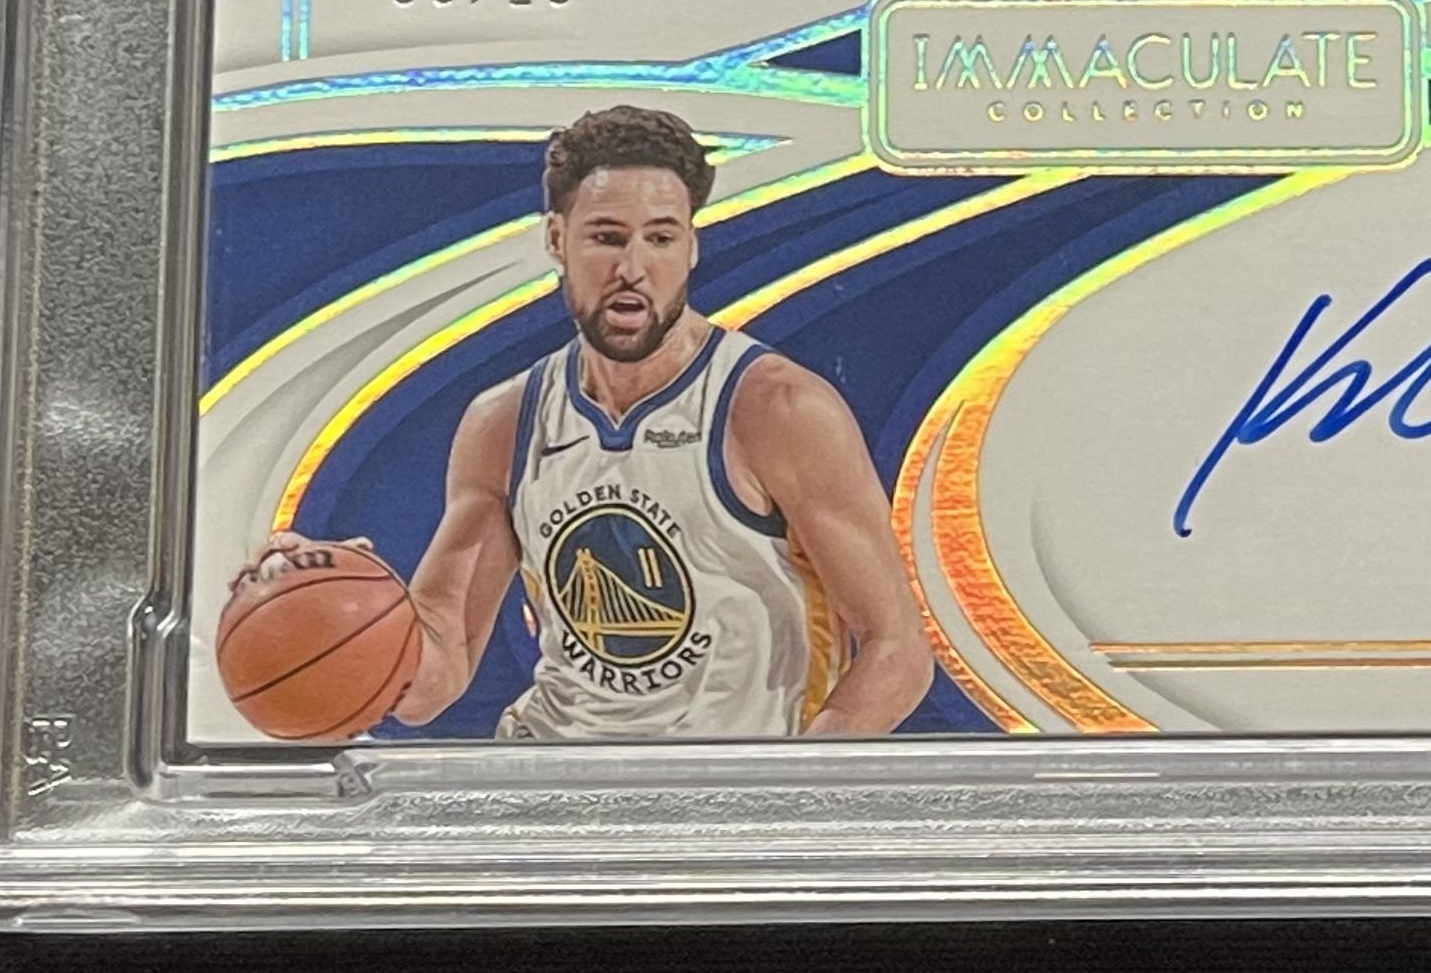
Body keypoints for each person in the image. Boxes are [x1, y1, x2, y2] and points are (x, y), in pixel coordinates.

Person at [238, 104, 934, 739]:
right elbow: (433, 678)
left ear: (691, 247)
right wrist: (325, 606)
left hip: (722, 794)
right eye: (607, 237)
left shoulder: (775, 408)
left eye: (660, 238)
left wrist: (783, 796)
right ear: (556, 238)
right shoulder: (504, 423)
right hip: (555, 781)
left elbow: (898, 652)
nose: (634, 267)